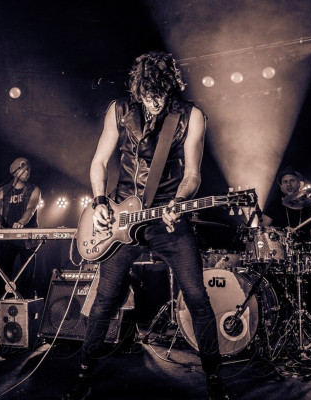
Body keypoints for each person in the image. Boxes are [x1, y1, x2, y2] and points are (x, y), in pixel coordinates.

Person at [63, 51, 232, 400]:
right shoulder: (119, 110)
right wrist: (99, 202)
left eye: (159, 95)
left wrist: (178, 202)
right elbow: (99, 162)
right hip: (120, 217)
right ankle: (83, 373)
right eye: (146, 94)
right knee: (104, 299)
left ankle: (214, 377)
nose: (153, 102)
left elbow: (193, 174)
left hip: (166, 217)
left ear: (171, 87)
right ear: (137, 89)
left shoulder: (191, 116)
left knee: (197, 297)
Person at [259, 167, 311, 318]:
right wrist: (281, 231)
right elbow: (262, 229)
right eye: (285, 182)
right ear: (281, 187)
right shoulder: (274, 205)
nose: (289, 184)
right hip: (279, 256)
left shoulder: (310, 205)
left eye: (292, 181)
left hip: (303, 256)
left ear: (299, 184)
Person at [0, 157, 42, 299]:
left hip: (28, 239)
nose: (27, 173)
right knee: (4, 274)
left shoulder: (34, 189)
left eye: (29, 170)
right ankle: (5, 305)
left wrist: (21, 222)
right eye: (24, 170)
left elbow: (31, 208)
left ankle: (27, 306)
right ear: (14, 171)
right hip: (8, 238)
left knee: (27, 277)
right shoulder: (2, 190)